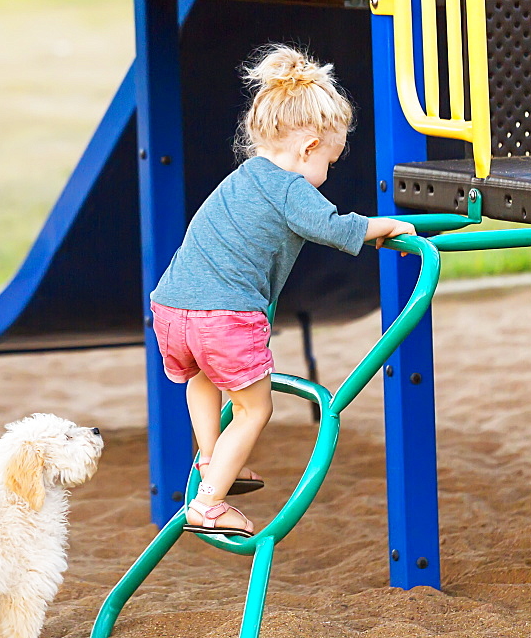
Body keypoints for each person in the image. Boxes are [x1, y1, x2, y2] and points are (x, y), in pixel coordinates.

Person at [149, 45, 416, 537]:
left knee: (202, 378)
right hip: (224, 317)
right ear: (309, 147)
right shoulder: (294, 188)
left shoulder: (243, 176)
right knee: (256, 407)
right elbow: (335, 228)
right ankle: (207, 505)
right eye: (330, 163)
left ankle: (212, 461)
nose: (326, 175)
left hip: (171, 306)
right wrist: (387, 226)